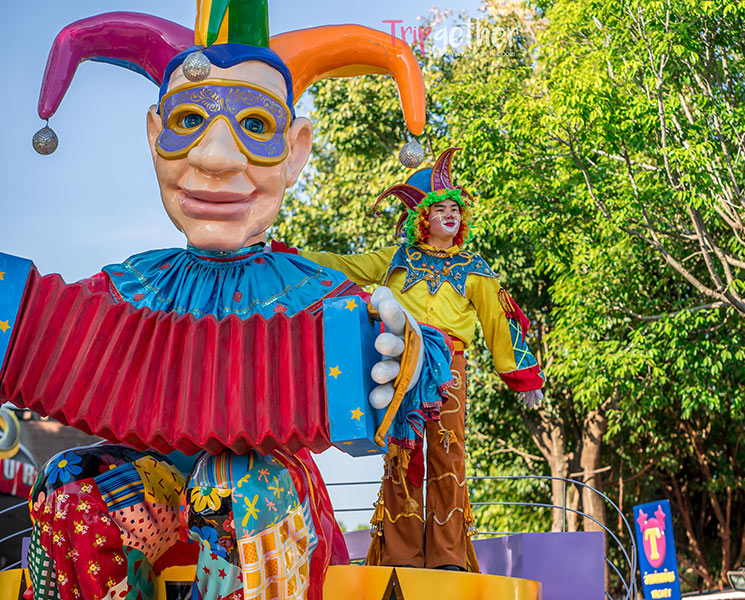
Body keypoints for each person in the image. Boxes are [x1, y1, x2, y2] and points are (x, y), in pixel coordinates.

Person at [0, 4, 442, 600]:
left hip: (266, 495)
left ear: (296, 149)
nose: (215, 157)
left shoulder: (313, 290)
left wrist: (404, 352)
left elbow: (417, 363)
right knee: (68, 480)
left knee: (237, 476)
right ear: (155, 136)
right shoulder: (133, 285)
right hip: (156, 491)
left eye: (255, 126)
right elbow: (41, 337)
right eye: (188, 121)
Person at [297, 148, 545, 572]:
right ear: (422, 218)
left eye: (455, 209)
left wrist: (524, 377)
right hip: (402, 361)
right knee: (401, 454)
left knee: (448, 454)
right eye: (440, 209)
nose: (450, 215)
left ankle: (448, 556)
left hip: (449, 366)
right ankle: (401, 555)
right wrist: (289, 256)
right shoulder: (396, 259)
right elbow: (343, 266)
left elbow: (499, 320)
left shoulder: (475, 267)